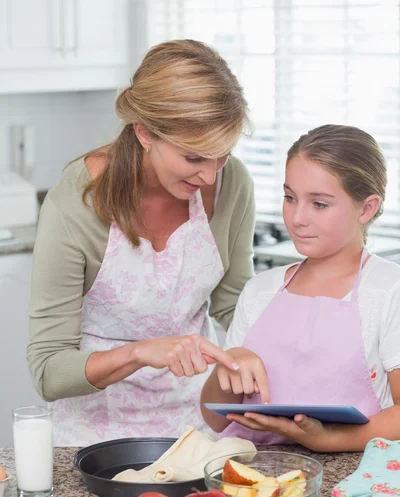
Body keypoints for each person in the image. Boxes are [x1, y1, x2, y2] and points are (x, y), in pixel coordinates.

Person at [27, 39, 256, 446]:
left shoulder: (231, 182)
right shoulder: (76, 202)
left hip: (198, 431)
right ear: (145, 132)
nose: (210, 175)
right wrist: (139, 353)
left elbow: (233, 303)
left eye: (222, 154)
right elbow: (48, 370)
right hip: (92, 442)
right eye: (194, 157)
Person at [201, 124, 400, 452]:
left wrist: (330, 439)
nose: (296, 218)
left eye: (319, 204)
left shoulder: (388, 290)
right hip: (248, 470)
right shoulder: (260, 290)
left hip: (343, 473)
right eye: (290, 198)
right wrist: (231, 362)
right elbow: (216, 419)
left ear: (366, 208)